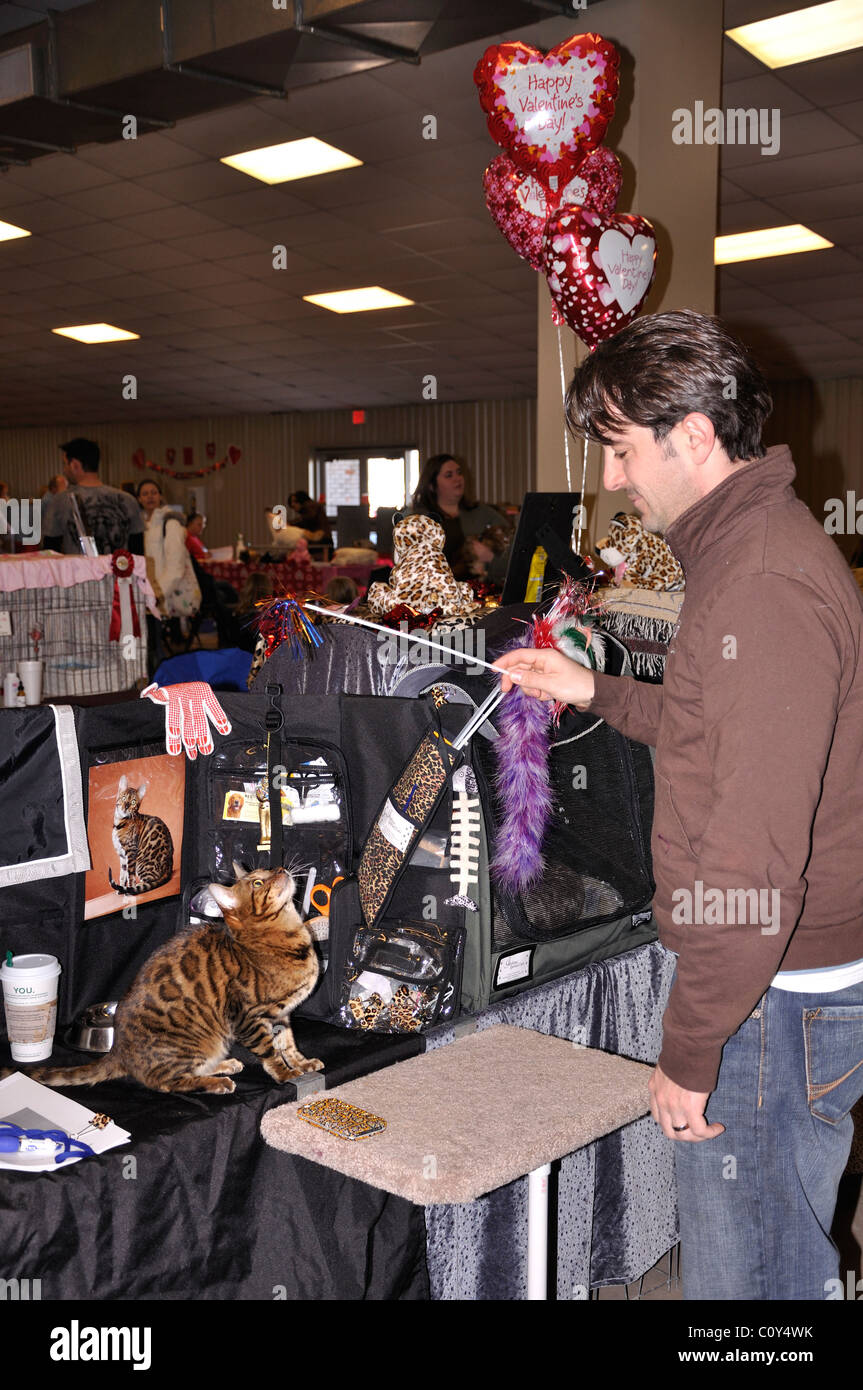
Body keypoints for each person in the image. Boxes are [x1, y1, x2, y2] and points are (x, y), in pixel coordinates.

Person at [493, 309, 863, 1302]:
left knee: (752, 1278)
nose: (612, 477)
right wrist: (591, 691)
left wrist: (689, 1050)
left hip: (771, 994)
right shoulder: (744, 550)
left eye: (618, 446)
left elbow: (750, 868)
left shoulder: (759, 582)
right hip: (778, 980)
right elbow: (713, 721)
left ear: (690, 435)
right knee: (771, 1254)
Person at [42, 438, 143, 555]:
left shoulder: (60, 501)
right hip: (120, 571)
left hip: (77, 572)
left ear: (75, 465)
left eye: (65, 464)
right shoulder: (128, 500)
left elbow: (51, 551)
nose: (64, 470)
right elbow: (138, 553)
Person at [411, 454, 506, 579]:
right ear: (432, 485)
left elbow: (514, 551)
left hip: (482, 592)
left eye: (459, 473)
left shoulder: (483, 513)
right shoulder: (418, 519)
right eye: (449, 475)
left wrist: (491, 558)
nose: (458, 479)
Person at [136, 480, 200, 629]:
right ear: (139, 499)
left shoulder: (171, 523)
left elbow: (176, 566)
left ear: (160, 496)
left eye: (154, 492)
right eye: (145, 494)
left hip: (167, 595)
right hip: (150, 593)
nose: (149, 497)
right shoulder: (141, 526)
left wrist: (158, 594)